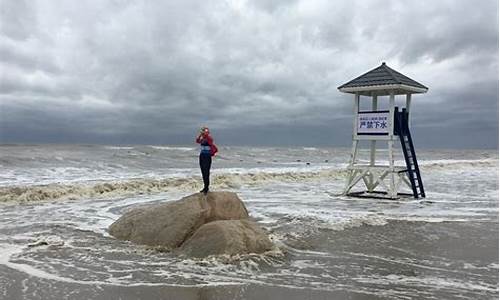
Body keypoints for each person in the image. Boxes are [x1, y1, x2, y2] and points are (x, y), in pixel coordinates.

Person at [196, 126, 218, 194]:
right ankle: (205, 187)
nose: (203, 132)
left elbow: (210, 141)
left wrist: (205, 134)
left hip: (207, 156)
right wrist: (200, 135)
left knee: (206, 172)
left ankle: (206, 187)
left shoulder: (209, 138)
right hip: (202, 155)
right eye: (203, 131)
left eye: (205, 131)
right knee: (203, 171)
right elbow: (197, 141)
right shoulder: (203, 138)